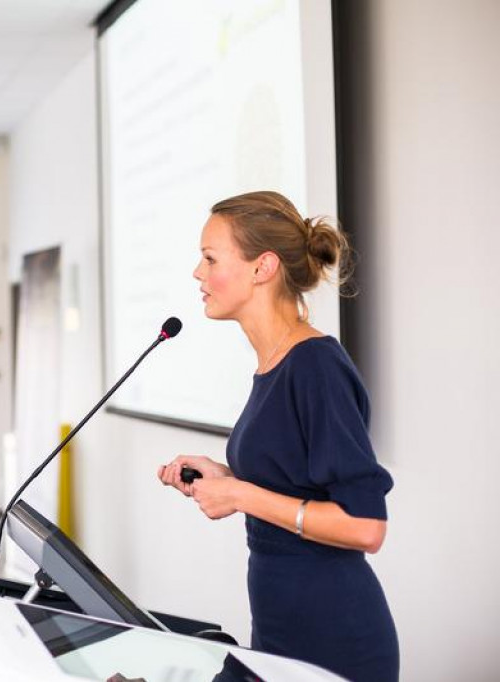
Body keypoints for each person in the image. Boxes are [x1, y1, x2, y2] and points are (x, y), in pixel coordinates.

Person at [157, 191, 398, 682]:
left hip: (332, 642)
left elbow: (365, 526)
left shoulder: (316, 365)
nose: (197, 274)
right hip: (278, 632)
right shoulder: (275, 363)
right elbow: (293, 481)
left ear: (262, 267)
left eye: (209, 258)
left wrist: (240, 493)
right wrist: (224, 477)